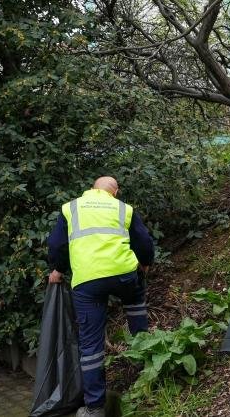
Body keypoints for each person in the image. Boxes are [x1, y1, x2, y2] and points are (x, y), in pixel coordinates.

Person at [47, 176, 155, 417]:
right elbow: (144, 240)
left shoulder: (71, 208)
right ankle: (146, 368)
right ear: (114, 192)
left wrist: (57, 269)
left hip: (88, 282)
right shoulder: (123, 208)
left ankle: (95, 407)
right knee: (136, 301)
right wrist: (145, 263)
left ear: (92, 189)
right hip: (124, 275)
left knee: (91, 343)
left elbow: (56, 245)